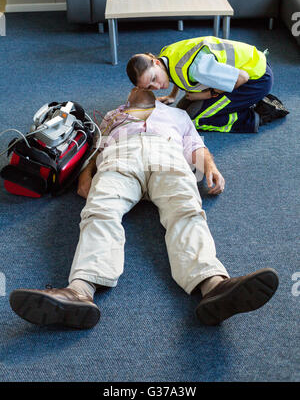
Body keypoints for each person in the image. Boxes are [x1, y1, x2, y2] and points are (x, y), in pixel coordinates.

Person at [9, 89, 279, 329]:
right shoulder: (114, 116)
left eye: (147, 86)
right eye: (135, 88)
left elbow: (196, 145)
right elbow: (96, 148)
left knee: (186, 211)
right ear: (127, 99)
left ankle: (214, 285)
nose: (140, 89)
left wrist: (210, 167)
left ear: (160, 96)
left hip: (168, 156)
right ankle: (79, 291)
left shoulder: (177, 115)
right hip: (121, 158)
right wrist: (85, 175)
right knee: (99, 211)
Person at [126, 36, 288, 133]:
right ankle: (242, 103)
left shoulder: (196, 68)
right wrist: (172, 96)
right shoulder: (165, 56)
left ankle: (258, 115)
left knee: (191, 120)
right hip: (246, 68)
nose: (156, 86)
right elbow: (175, 74)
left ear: (155, 63)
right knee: (181, 110)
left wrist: (206, 94)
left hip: (255, 81)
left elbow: (242, 78)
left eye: (154, 79)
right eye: (149, 87)